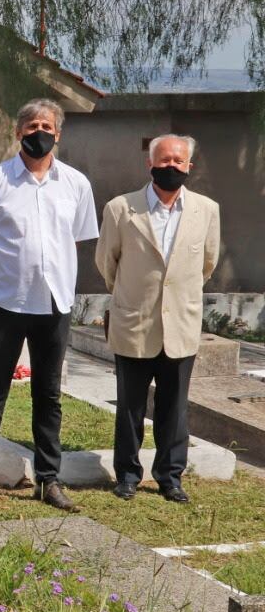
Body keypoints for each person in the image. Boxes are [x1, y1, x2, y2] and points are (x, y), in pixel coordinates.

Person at [0, 98, 98, 513]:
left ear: (59, 133)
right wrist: (9, 271)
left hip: (54, 302)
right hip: (5, 301)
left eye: (47, 125)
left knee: (48, 394)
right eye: (32, 125)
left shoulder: (76, 183)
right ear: (18, 132)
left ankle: (48, 480)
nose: (40, 132)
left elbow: (71, 240)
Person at [95, 134, 220, 503]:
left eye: (178, 162)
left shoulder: (206, 210)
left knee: (174, 407)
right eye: (164, 161)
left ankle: (170, 477)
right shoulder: (121, 209)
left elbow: (207, 264)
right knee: (130, 406)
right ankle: (128, 475)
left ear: (189, 167)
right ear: (149, 165)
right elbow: (107, 263)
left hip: (180, 324)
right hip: (135, 321)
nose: (171, 167)